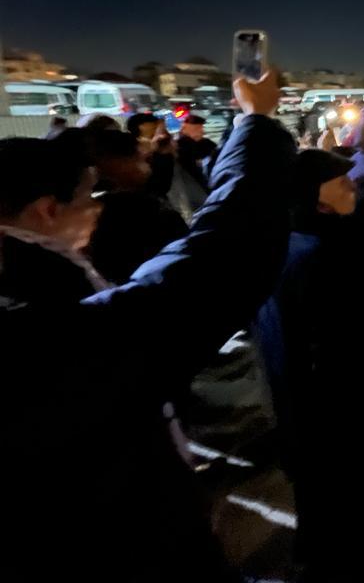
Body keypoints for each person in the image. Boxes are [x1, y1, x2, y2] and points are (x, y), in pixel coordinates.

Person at [1, 73, 291, 580]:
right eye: (89, 195)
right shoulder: (50, 343)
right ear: (47, 211)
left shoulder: (41, 304)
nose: (98, 209)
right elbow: (217, 257)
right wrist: (256, 123)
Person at [253, 148, 364, 579]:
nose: (353, 187)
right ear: (316, 198)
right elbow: (350, 345)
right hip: (340, 409)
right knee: (354, 504)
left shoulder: (279, 246)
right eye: (341, 183)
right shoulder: (328, 255)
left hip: (298, 407)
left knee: (316, 500)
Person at [86, 129, 189, 284]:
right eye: (144, 160)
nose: (149, 168)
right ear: (120, 163)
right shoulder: (145, 210)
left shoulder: (90, 211)